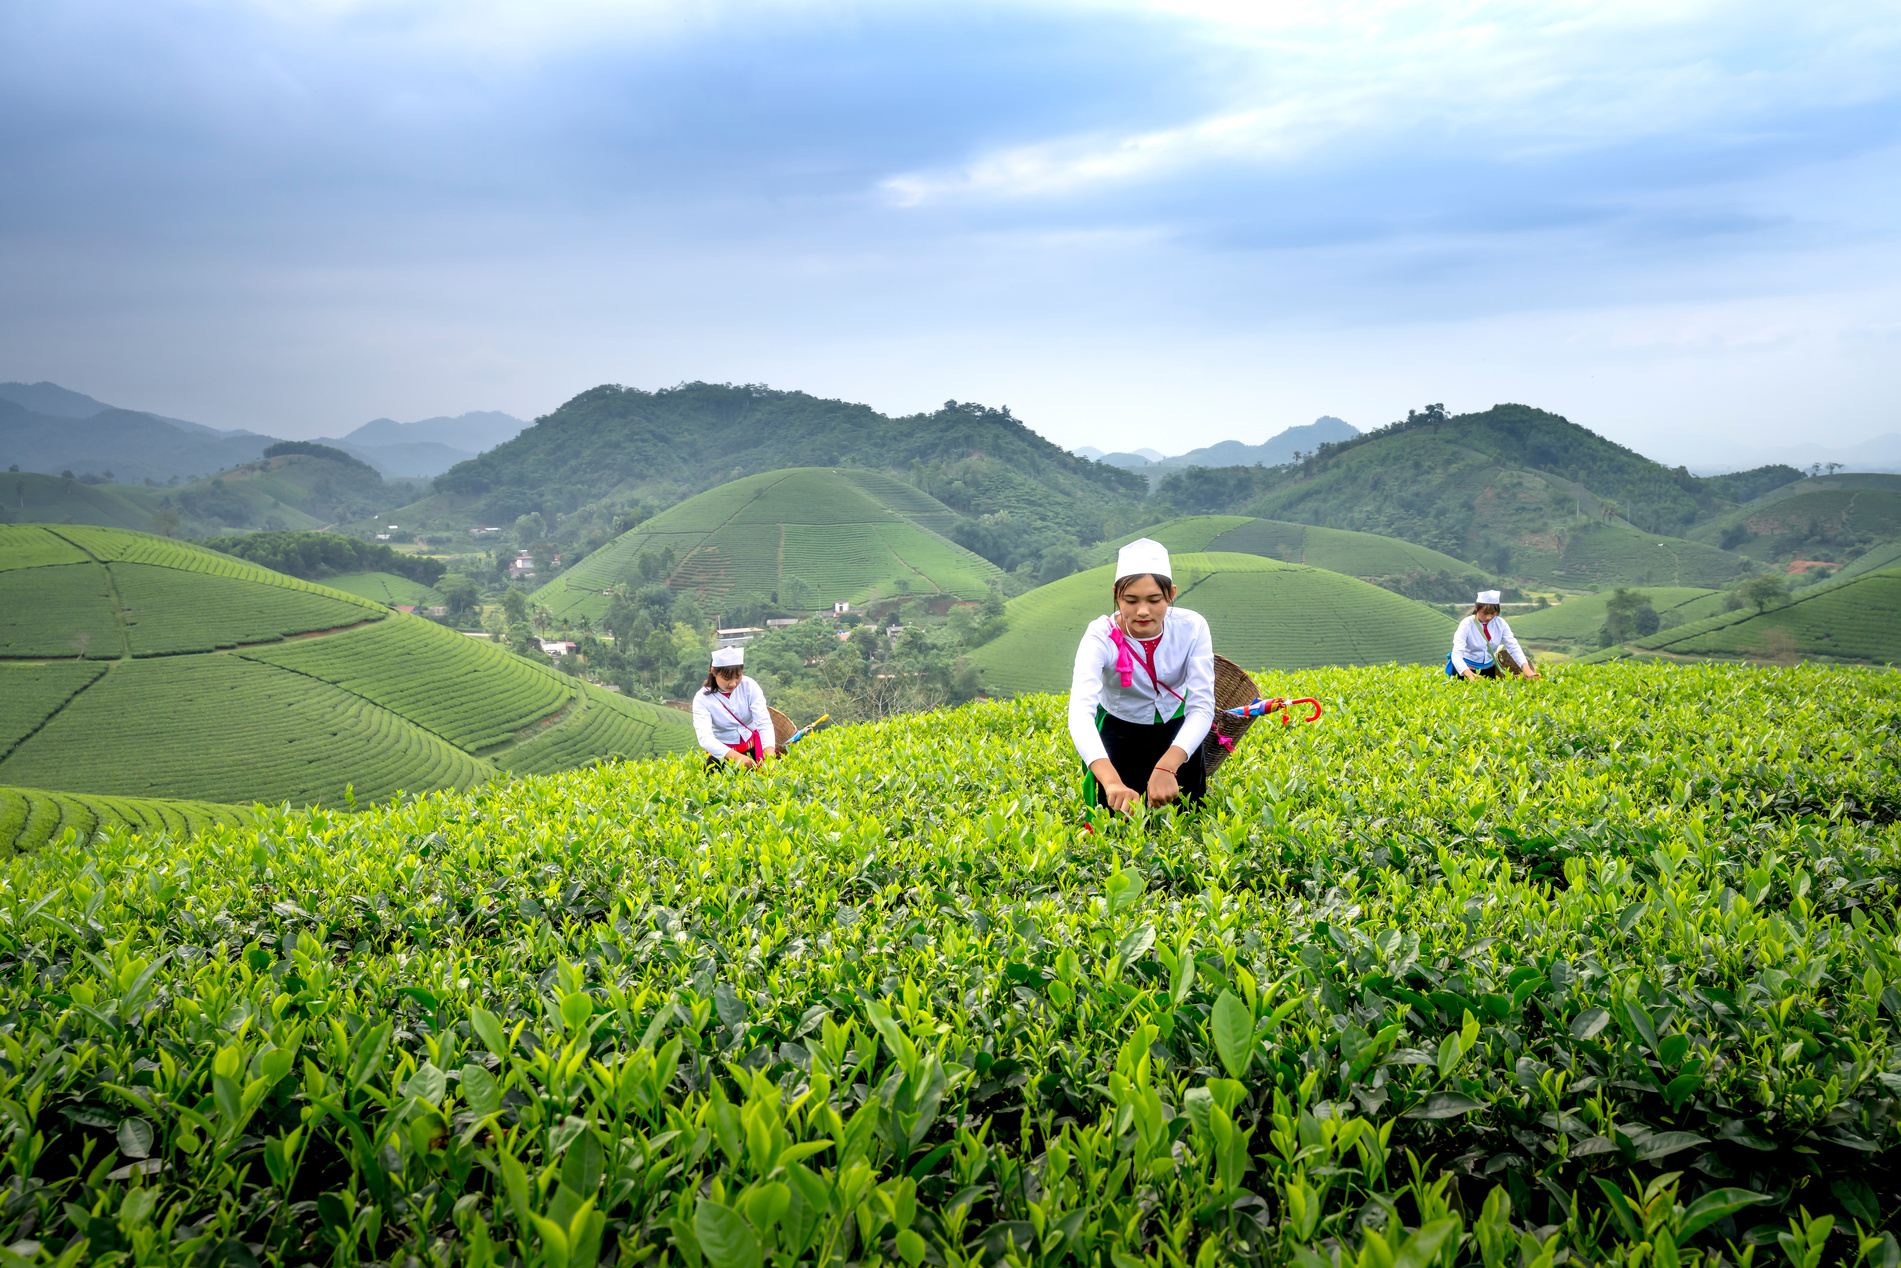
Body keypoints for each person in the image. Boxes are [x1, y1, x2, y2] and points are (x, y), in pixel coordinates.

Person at [1067, 538, 1216, 813]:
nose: (1143, 611)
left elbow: (1202, 706)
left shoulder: (1192, 628)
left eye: (1155, 600)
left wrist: (1168, 765)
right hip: (1119, 734)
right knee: (1118, 828)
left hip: (1177, 734)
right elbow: (1080, 713)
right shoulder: (1099, 637)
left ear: (1171, 594)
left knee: (1188, 821)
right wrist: (1111, 782)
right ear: (1116, 595)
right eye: (1131, 600)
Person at [692, 646, 777, 769]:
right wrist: (737, 757)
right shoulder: (702, 698)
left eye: (738, 676)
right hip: (721, 757)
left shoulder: (750, 686)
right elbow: (705, 738)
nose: (733, 683)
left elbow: (763, 722)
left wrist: (769, 757)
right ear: (713, 672)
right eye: (726, 678)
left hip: (752, 751)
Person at [1447, 590, 1541, 681]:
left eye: (1493, 613)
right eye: (1485, 613)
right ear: (1476, 608)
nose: (1489, 617)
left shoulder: (1500, 624)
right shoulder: (1466, 624)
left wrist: (1525, 667)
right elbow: (1456, 654)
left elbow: (1513, 646)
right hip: (1465, 670)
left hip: (1489, 669)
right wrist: (1469, 674)